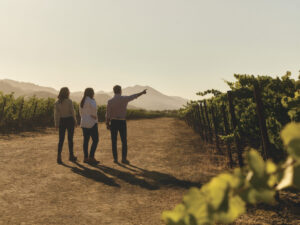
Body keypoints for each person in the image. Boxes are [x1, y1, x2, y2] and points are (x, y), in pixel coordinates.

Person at [106, 85, 147, 164]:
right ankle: (124, 159)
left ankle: (115, 159)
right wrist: (142, 93)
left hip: (113, 122)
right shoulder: (124, 99)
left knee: (114, 141)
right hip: (122, 121)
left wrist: (107, 123)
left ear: (114, 91)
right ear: (120, 90)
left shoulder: (110, 101)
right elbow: (134, 96)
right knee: (123, 141)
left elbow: (108, 113)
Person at [54, 87, 77, 164]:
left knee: (61, 139)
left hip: (62, 121)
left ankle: (59, 156)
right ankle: (71, 156)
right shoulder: (69, 101)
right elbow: (72, 112)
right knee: (70, 139)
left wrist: (56, 124)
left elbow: (56, 115)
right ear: (67, 93)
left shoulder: (57, 102)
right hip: (69, 120)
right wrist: (75, 121)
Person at [79, 88, 99, 164]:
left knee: (86, 141)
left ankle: (85, 157)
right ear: (91, 93)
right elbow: (95, 110)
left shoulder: (82, 101)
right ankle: (91, 157)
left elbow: (80, 113)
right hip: (92, 123)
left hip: (83, 123)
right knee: (95, 140)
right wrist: (94, 116)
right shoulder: (91, 100)